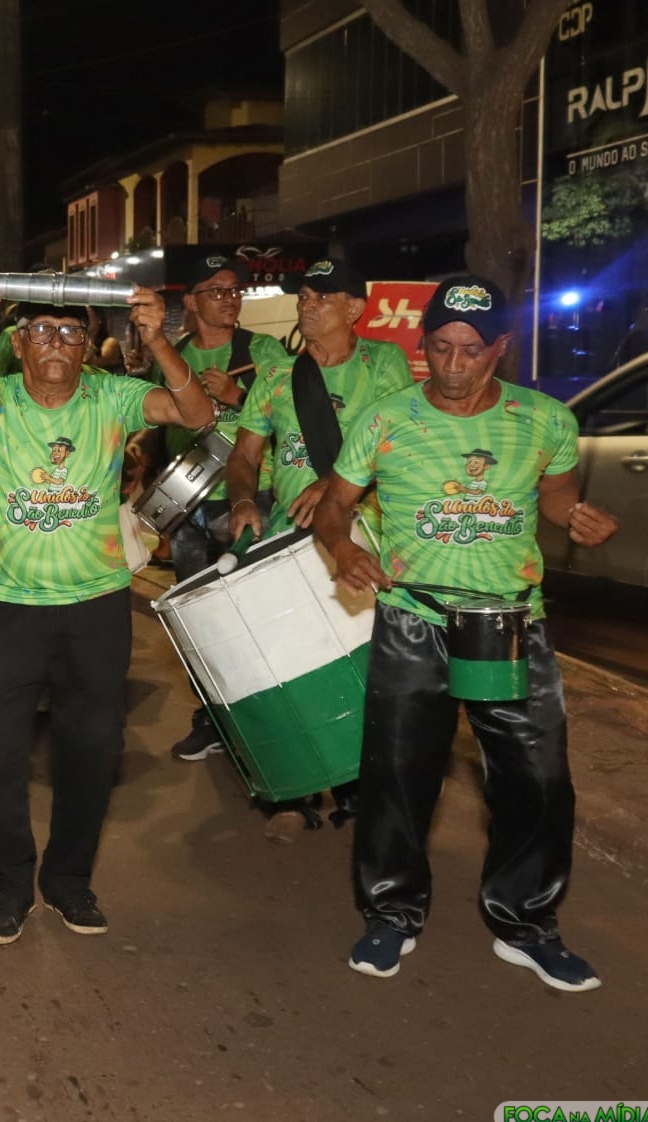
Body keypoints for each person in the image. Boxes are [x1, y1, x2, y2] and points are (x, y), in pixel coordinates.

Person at [314, 275, 616, 993]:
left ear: (500, 347)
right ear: (424, 344)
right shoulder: (386, 419)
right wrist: (343, 547)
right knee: (397, 774)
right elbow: (334, 504)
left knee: (537, 779)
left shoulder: (544, 419)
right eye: (441, 347)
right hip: (414, 618)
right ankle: (391, 913)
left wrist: (575, 516)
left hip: (511, 622)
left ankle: (526, 924)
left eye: (471, 350)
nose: (453, 364)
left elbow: (557, 492)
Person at [0, 278, 215, 946]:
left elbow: (195, 416)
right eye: (42, 331)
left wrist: (158, 338)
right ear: (19, 344)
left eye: (71, 332)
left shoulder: (112, 396)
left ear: (87, 346)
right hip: (6, 607)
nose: (56, 342)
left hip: (95, 608)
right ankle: (12, 879)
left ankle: (69, 879)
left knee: (93, 751)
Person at [225, 258, 414, 840]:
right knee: (287, 661)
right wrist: (242, 500)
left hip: (366, 536)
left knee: (362, 664)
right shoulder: (278, 376)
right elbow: (244, 455)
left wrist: (335, 485)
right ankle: (293, 787)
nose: (307, 305)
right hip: (291, 537)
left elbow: (402, 440)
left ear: (354, 308)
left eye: (321, 297)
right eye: (303, 296)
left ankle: (359, 786)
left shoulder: (384, 364)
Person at [152, 255, 291, 763]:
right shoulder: (173, 356)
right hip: (187, 503)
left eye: (235, 290)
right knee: (201, 619)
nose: (230, 299)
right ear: (190, 301)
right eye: (216, 290)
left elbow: (291, 412)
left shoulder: (264, 350)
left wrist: (239, 394)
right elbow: (156, 425)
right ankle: (211, 718)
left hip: (251, 499)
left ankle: (271, 725)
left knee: (258, 615)